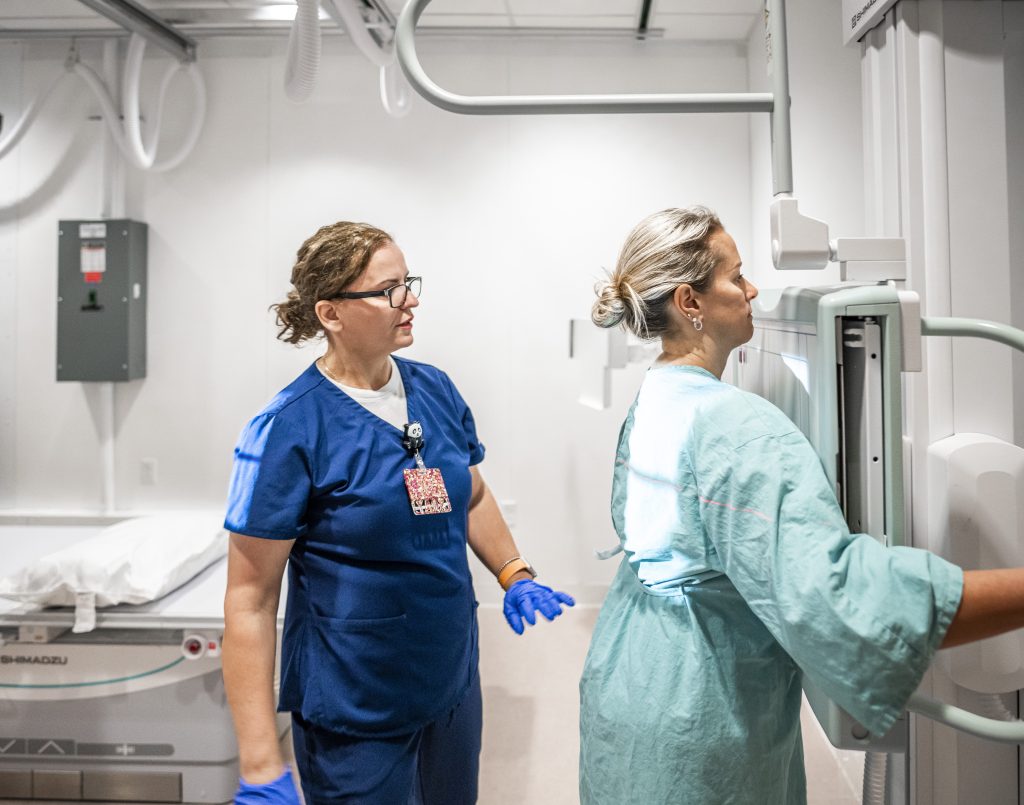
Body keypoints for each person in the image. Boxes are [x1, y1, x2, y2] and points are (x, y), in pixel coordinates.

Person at [579, 206, 1024, 805]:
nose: (752, 291)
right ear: (690, 301)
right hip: (697, 717)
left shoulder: (657, 395)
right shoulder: (739, 427)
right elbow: (839, 602)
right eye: (737, 276)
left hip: (629, 681)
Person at [222, 221, 574, 805]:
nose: (410, 300)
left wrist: (514, 573)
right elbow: (249, 601)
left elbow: (470, 493)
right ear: (331, 313)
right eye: (388, 290)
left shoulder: (435, 389)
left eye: (408, 282)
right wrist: (260, 761)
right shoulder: (285, 428)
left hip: (448, 682)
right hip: (355, 702)